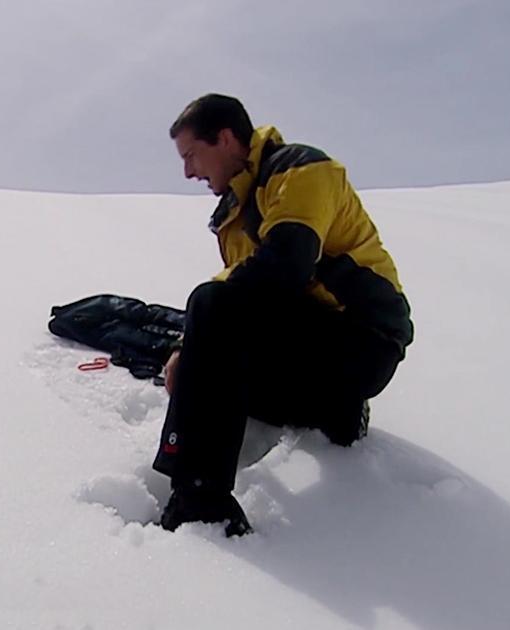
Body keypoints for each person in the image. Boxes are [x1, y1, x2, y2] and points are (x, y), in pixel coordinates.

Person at [154, 94, 413, 536]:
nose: (188, 172)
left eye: (191, 155)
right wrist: (188, 348)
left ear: (225, 138)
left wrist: (197, 336)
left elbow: (285, 266)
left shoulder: (301, 170)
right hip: (313, 350)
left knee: (212, 305)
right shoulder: (235, 211)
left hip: (365, 339)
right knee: (216, 366)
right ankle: (334, 412)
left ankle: (202, 500)